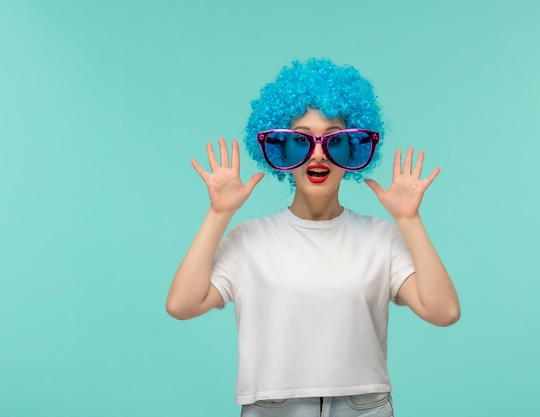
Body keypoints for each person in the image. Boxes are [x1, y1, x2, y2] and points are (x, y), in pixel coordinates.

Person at [166, 58, 460, 417]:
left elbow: (444, 311)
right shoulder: (249, 239)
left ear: (353, 150)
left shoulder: (380, 237)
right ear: (278, 149)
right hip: (272, 408)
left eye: (334, 141)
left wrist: (409, 220)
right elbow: (181, 305)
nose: (318, 153)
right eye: (300, 141)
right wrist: (219, 213)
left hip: (363, 408)